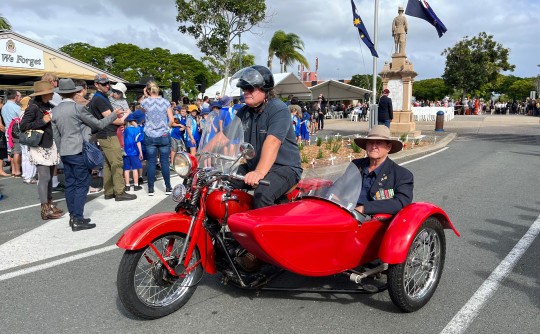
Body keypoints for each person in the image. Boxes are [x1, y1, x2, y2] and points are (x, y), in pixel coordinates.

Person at [51, 79, 125, 230]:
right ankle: (78, 218)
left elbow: (56, 135)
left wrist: (61, 149)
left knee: (71, 184)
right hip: (78, 150)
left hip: (65, 151)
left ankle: (73, 216)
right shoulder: (77, 108)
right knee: (82, 184)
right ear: (74, 92)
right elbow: (98, 124)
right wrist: (114, 115)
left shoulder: (56, 110)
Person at [231, 65, 303, 209]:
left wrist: (259, 172)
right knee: (220, 182)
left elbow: (273, 141)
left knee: (262, 195)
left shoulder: (278, 109)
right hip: (256, 165)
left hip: (284, 168)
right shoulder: (244, 112)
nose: (245, 92)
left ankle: (266, 230)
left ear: (265, 89)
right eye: (244, 89)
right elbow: (224, 136)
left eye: (250, 89)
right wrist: (201, 157)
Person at [19, 81, 65, 220]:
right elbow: (23, 126)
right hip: (39, 145)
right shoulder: (33, 107)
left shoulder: (49, 105)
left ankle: (49, 205)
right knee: (44, 177)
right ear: (43, 94)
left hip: (50, 144)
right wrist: (43, 121)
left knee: (50, 177)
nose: (53, 94)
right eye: (50, 92)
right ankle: (44, 209)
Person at [88, 74, 136, 201]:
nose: (107, 86)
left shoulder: (100, 97)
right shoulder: (99, 99)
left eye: (107, 83)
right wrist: (123, 117)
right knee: (117, 162)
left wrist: (117, 115)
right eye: (104, 84)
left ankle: (109, 192)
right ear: (96, 84)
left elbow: (109, 116)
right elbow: (111, 119)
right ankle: (120, 192)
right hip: (108, 134)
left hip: (104, 134)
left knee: (108, 163)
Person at [352, 125, 413, 215]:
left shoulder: (402, 175)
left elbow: (401, 202)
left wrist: (365, 208)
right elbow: (339, 187)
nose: (374, 146)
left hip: (372, 221)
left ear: (388, 147)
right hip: (347, 213)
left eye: (378, 143)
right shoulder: (356, 165)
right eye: (370, 142)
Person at [140, 80, 174, 196]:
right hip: (163, 135)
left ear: (148, 90)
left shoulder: (145, 102)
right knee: (165, 162)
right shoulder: (165, 102)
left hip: (149, 135)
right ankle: (168, 187)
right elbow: (171, 120)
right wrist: (165, 128)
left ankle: (150, 189)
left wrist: (145, 95)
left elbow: (141, 107)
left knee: (151, 162)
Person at [1, 90, 22, 177]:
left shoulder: (4, 107)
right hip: (16, 131)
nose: (20, 98)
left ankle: (13, 170)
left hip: (8, 132)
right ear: (15, 97)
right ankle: (17, 171)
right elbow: (22, 117)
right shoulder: (16, 107)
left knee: (12, 152)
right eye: (19, 96)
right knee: (17, 151)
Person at [122, 113, 143, 192]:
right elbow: (138, 142)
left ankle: (127, 185)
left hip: (126, 152)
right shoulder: (137, 129)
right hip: (134, 151)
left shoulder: (125, 130)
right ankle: (136, 185)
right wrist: (141, 152)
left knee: (126, 169)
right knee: (135, 169)